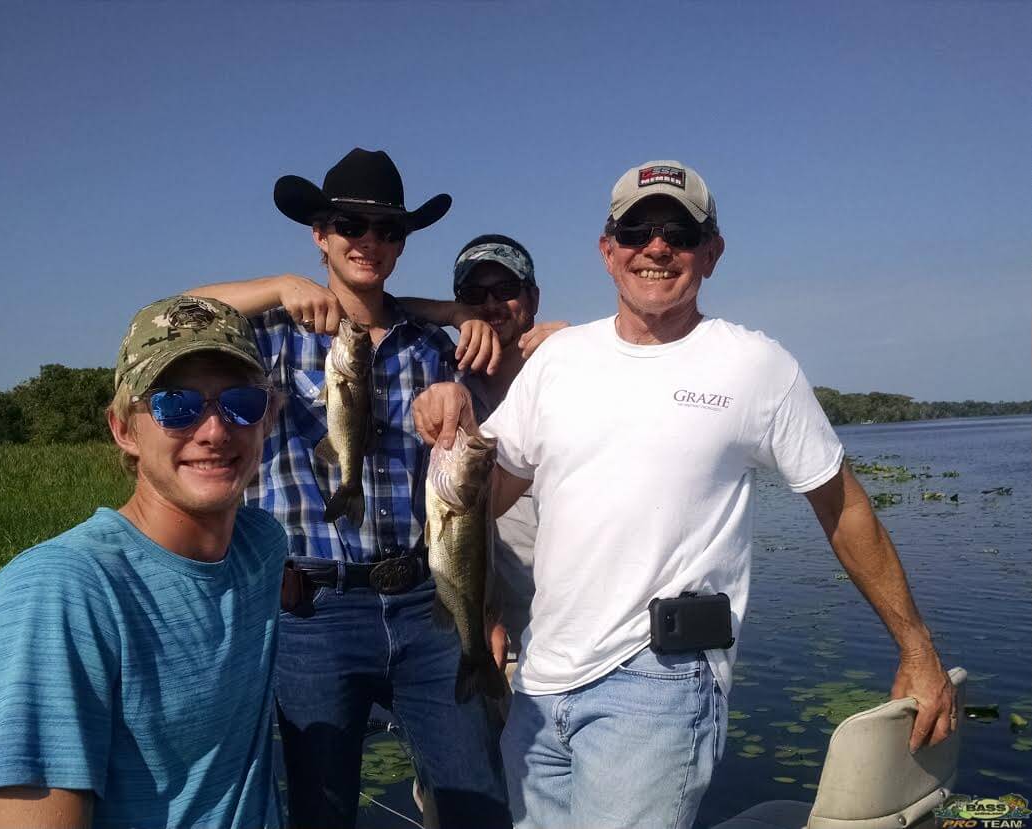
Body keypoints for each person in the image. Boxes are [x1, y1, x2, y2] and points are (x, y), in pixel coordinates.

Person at [411, 160, 957, 829]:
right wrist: (452, 427)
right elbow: (485, 496)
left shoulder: (754, 365)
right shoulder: (557, 362)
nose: (656, 245)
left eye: (679, 230)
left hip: (659, 683)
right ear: (607, 249)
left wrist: (916, 649)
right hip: (539, 685)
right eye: (635, 228)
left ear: (712, 251)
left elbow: (842, 508)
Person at [189, 148, 511, 829]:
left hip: (426, 599)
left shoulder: (432, 343)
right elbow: (173, 314)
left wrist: (461, 321)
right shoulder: (267, 335)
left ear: (401, 243)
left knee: (473, 802)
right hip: (313, 609)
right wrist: (277, 285)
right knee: (321, 809)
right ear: (319, 234)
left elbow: (526, 358)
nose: (368, 240)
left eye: (387, 229)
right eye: (350, 224)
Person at [0, 295, 288, 829]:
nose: (213, 430)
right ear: (123, 429)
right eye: (176, 405)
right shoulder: (57, 594)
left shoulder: (260, 546)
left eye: (241, 403)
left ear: (268, 417)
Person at [400, 234, 566, 671]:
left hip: (573, 633)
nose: (492, 305)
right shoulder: (449, 388)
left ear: (533, 298)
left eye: (506, 291)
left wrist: (586, 344)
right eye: (475, 295)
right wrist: (453, 315)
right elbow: (369, 309)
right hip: (490, 634)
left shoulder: (571, 375)